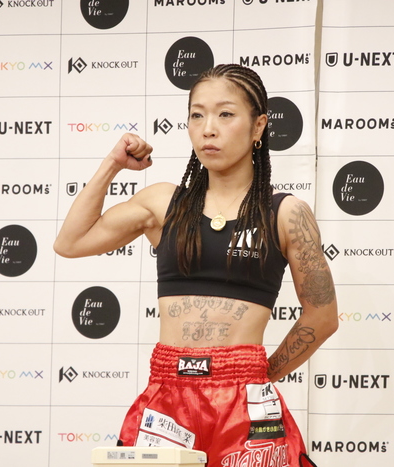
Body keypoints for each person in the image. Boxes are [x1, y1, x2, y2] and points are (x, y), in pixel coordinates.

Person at [54, 64, 338, 467]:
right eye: (197, 115)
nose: (208, 129)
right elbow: (70, 242)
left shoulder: (286, 213)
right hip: (167, 395)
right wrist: (113, 164)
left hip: (244, 399)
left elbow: (322, 316)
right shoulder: (164, 204)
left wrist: (257, 374)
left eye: (225, 114)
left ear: (258, 127)